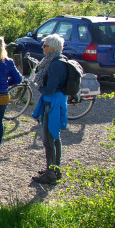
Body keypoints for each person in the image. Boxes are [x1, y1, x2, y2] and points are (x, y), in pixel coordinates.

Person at [31, 34, 68, 184]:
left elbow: (50, 88)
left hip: (52, 104)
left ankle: (51, 173)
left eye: (45, 45)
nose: (42, 47)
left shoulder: (54, 65)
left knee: (48, 139)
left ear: (52, 48)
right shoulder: (59, 60)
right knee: (54, 137)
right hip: (56, 102)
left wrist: (40, 88)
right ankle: (55, 169)